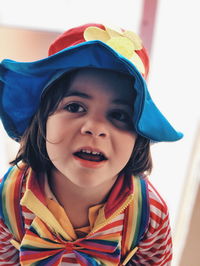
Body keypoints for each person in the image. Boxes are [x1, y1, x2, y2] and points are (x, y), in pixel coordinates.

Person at [0, 23, 183, 265]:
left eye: (119, 115)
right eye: (75, 107)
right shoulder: (7, 199)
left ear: (138, 138)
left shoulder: (150, 215)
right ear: (42, 121)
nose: (95, 127)